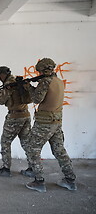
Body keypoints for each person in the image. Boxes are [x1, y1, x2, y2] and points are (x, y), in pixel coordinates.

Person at [24, 58, 76, 193]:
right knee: (59, 151)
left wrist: (29, 88)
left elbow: (36, 99)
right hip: (57, 122)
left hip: (44, 123)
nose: (39, 73)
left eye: (39, 71)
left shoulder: (45, 82)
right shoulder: (58, 81)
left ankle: (39, 182)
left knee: (32, 149)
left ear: (43, 70)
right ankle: (70, 180)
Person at [0, 66, 34, 177]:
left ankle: (6, 169)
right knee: (26, 143)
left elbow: (1, 100)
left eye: (0, 77)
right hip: (25, 115)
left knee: (5, 142)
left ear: (2, 74)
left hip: (15, 117)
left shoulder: (9, 85)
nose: (0, 79)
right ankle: (33, 168)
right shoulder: (17, 82)